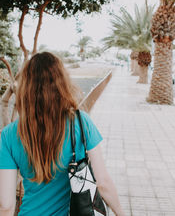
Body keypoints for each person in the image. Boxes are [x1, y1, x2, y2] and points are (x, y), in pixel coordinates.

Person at [0, 52, 125, 216]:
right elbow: (103, 183)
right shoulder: (81, 123)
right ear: (62, 84)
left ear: (26, 88)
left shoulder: (9, 135)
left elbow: (6, 205)